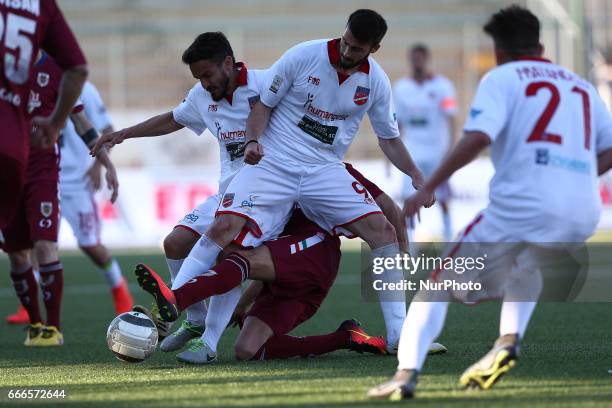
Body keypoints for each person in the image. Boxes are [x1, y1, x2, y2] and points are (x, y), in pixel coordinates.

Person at [150, 9, 433, 354]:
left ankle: (399, 338)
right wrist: (253, 141)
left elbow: (388, 139)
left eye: (356, 49)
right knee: (224, 228)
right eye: (345, 42)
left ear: (373, 49)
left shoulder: (376, 82)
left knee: (383, 232)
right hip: (275, 164)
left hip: (323, 170)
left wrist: (417, 175)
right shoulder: (303, 56)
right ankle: (175, 305)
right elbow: (262, 107)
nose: (346, 52)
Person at [368, 5, 612, 400]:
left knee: (437, 284)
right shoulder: (580, 85)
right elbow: (609, 147)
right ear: (541, 45)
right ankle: (507, 340)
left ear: (498, 51)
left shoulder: (501, 77)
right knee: (526, 264)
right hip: (582, 213)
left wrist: (428, 185)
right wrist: (579, 175)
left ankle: (404, 376)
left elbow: (477, 137)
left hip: (522, 206)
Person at [134, 163, 447, 363]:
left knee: (239, 258)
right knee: (248, 350)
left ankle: (178, 300)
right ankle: (346, 336)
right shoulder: (272, 168)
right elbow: (271, 259)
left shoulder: (333, 169)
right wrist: (245, 301)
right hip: (288, 272)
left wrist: (401, 254)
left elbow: (387, 208)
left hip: (316, 253)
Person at [92, 32, 270, 354]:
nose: (204, 83)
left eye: (207, 75)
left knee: (226, 254)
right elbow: (172, 120)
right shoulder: (202, 96)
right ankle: (195, 319)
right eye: (198, 77)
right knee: (174, 243)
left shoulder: (265, 86)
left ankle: (201, 335)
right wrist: (123, 134)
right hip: (227, 192)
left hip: (265, 197)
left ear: (228, 62)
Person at [4, 54, 119, 347]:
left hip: (42, 171)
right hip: (6, 172)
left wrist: (106, 163)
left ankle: (53, 329)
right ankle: (35, 323)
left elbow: (81, 122)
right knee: (18, 256)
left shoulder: (58, 67)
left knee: (46, 246)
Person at [0, 0, 88, 229]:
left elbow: (80, 119)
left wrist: (103, 160)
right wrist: (55, 124)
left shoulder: (54, 70)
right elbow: (79, 69)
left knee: (34, 248)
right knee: (23, 252)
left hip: (39, 161)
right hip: (15, 152)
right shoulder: (41, 6)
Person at [393, 43, 457, 241]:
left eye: (421, 57)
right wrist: (393, 156)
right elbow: (398, 123)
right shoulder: (401, 88)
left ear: (427, 59)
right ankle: (410, 243)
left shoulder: (443, 86)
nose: (417, 61)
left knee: (443, 199)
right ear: (410, 60)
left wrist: (451, 148)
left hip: (438, 152)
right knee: (409, 198)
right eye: (414, 58)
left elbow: (451, 117)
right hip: (412, 152)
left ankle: (448, 239)